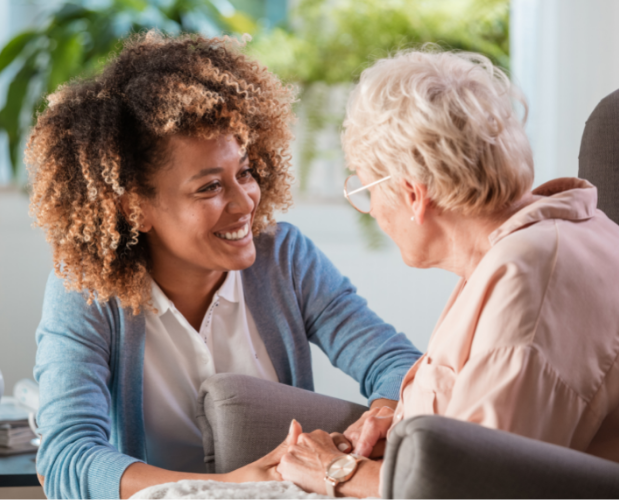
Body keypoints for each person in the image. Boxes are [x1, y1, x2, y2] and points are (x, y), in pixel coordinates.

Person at [27, 32, 421, 499]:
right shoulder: (87, 290)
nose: (245, 202)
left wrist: (380, 415)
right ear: (136, 208)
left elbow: (396, 362)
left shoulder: (285, 258)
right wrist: (227, 488)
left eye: (246, 173)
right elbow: (66, 458)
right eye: (209, 188)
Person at [275, 49, 619, 497]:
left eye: (365, 188)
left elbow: (475, 485)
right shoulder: (536, 244)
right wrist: (402, 425)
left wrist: (337, 471)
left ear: (413, 194)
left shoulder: (530, 279)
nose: (372, 210)